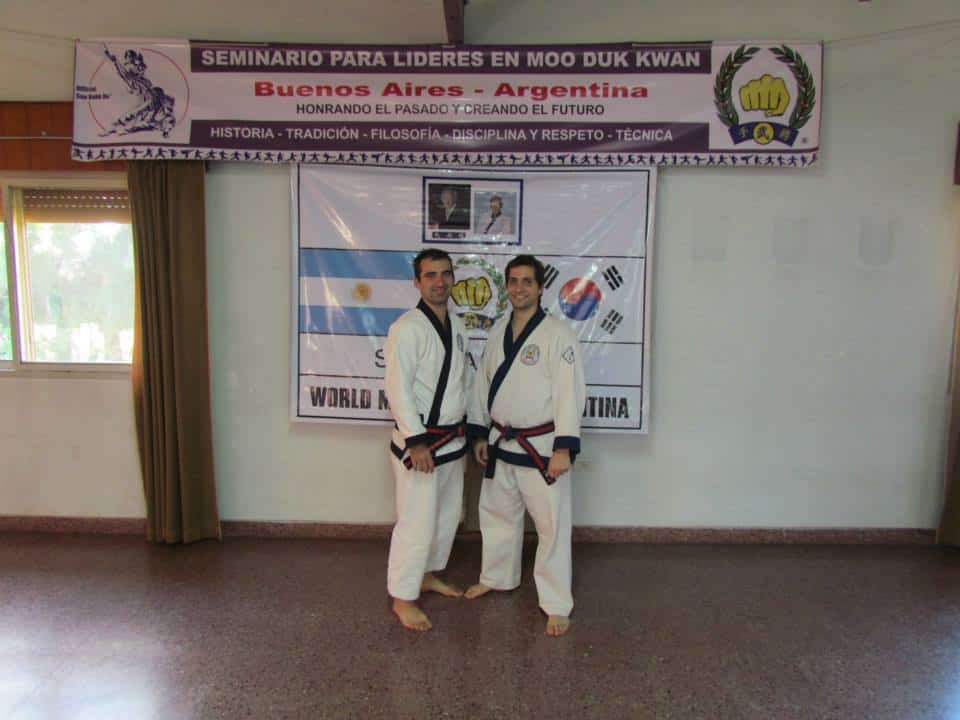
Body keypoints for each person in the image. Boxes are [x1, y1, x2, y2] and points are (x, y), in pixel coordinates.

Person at [464, 254, 586, 636]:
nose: (519, 288)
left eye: (527, 282)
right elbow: (482, 383)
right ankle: (498, 577)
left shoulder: (557, 334)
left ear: (540, 287)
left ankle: (556, 603)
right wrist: (479, 432)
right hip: (501, 442)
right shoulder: (498, 330)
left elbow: (569, 393)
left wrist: (563, 448)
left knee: (551, 527)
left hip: (542, 447)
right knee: (497, 516)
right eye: (513, 281)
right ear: (507, 287)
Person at [384, 248, 470, 631]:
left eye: (445, 273)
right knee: (416, 522)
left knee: (447, 517)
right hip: (421, 445)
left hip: (452, 441)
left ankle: (427, 574)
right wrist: (415, 441)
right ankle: (403, 598)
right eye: (430, 275)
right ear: (417, 282)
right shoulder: (407, 328)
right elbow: (397, 388)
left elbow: (463, 383)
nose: (439, 281)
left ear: (453, 278)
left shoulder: (459, 326)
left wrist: (473, 429)